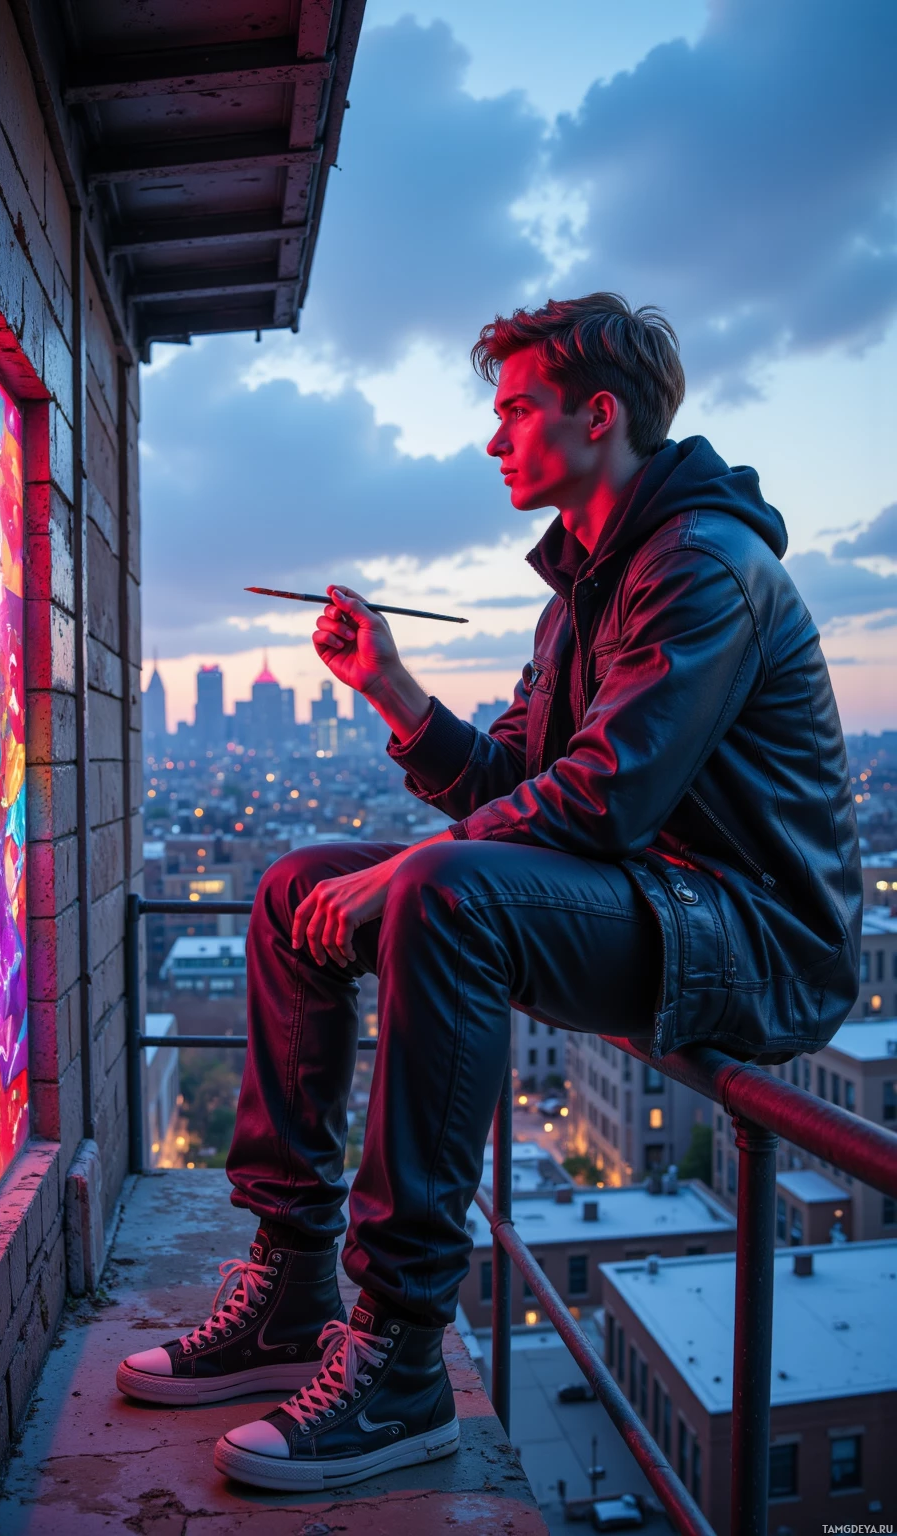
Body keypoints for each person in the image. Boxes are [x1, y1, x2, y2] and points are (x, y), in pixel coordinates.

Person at [116, 293, 861, 1491]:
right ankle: (292, 1288)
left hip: (749, 935)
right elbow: (516, 781)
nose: (491, 437)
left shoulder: (705, 565)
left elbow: (603, 798)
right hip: (645, 897)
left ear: (597, 415)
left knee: (445, 895)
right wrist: (396, 692)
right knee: (295, 889)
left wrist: (416, 871)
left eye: (514, 409)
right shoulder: (580, 592)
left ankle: (403, 1357)